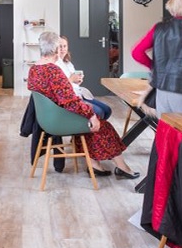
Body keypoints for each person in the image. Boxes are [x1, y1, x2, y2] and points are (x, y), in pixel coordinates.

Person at [27, 32, 138, 179]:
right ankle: (122, 167)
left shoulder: (34, 69)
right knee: (100, 124)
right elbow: (70, 101)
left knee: (92, 121)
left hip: (48, 118)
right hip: (60, 119)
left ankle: (94, 164)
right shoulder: (53, 70)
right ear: (55, 48)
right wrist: (91, 114)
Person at [55, 36, 113, 120]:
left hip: (78, 93)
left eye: (65, 46)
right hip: (70, 98)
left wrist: (77, 81)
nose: (62, 49)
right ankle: (89, 129)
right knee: (99, 112)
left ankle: (94, 129)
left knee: (107, 110)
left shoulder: (68, 63)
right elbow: (58, 87)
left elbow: (72, 81)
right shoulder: (54, 65)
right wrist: (71, 79)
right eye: (60, 46)